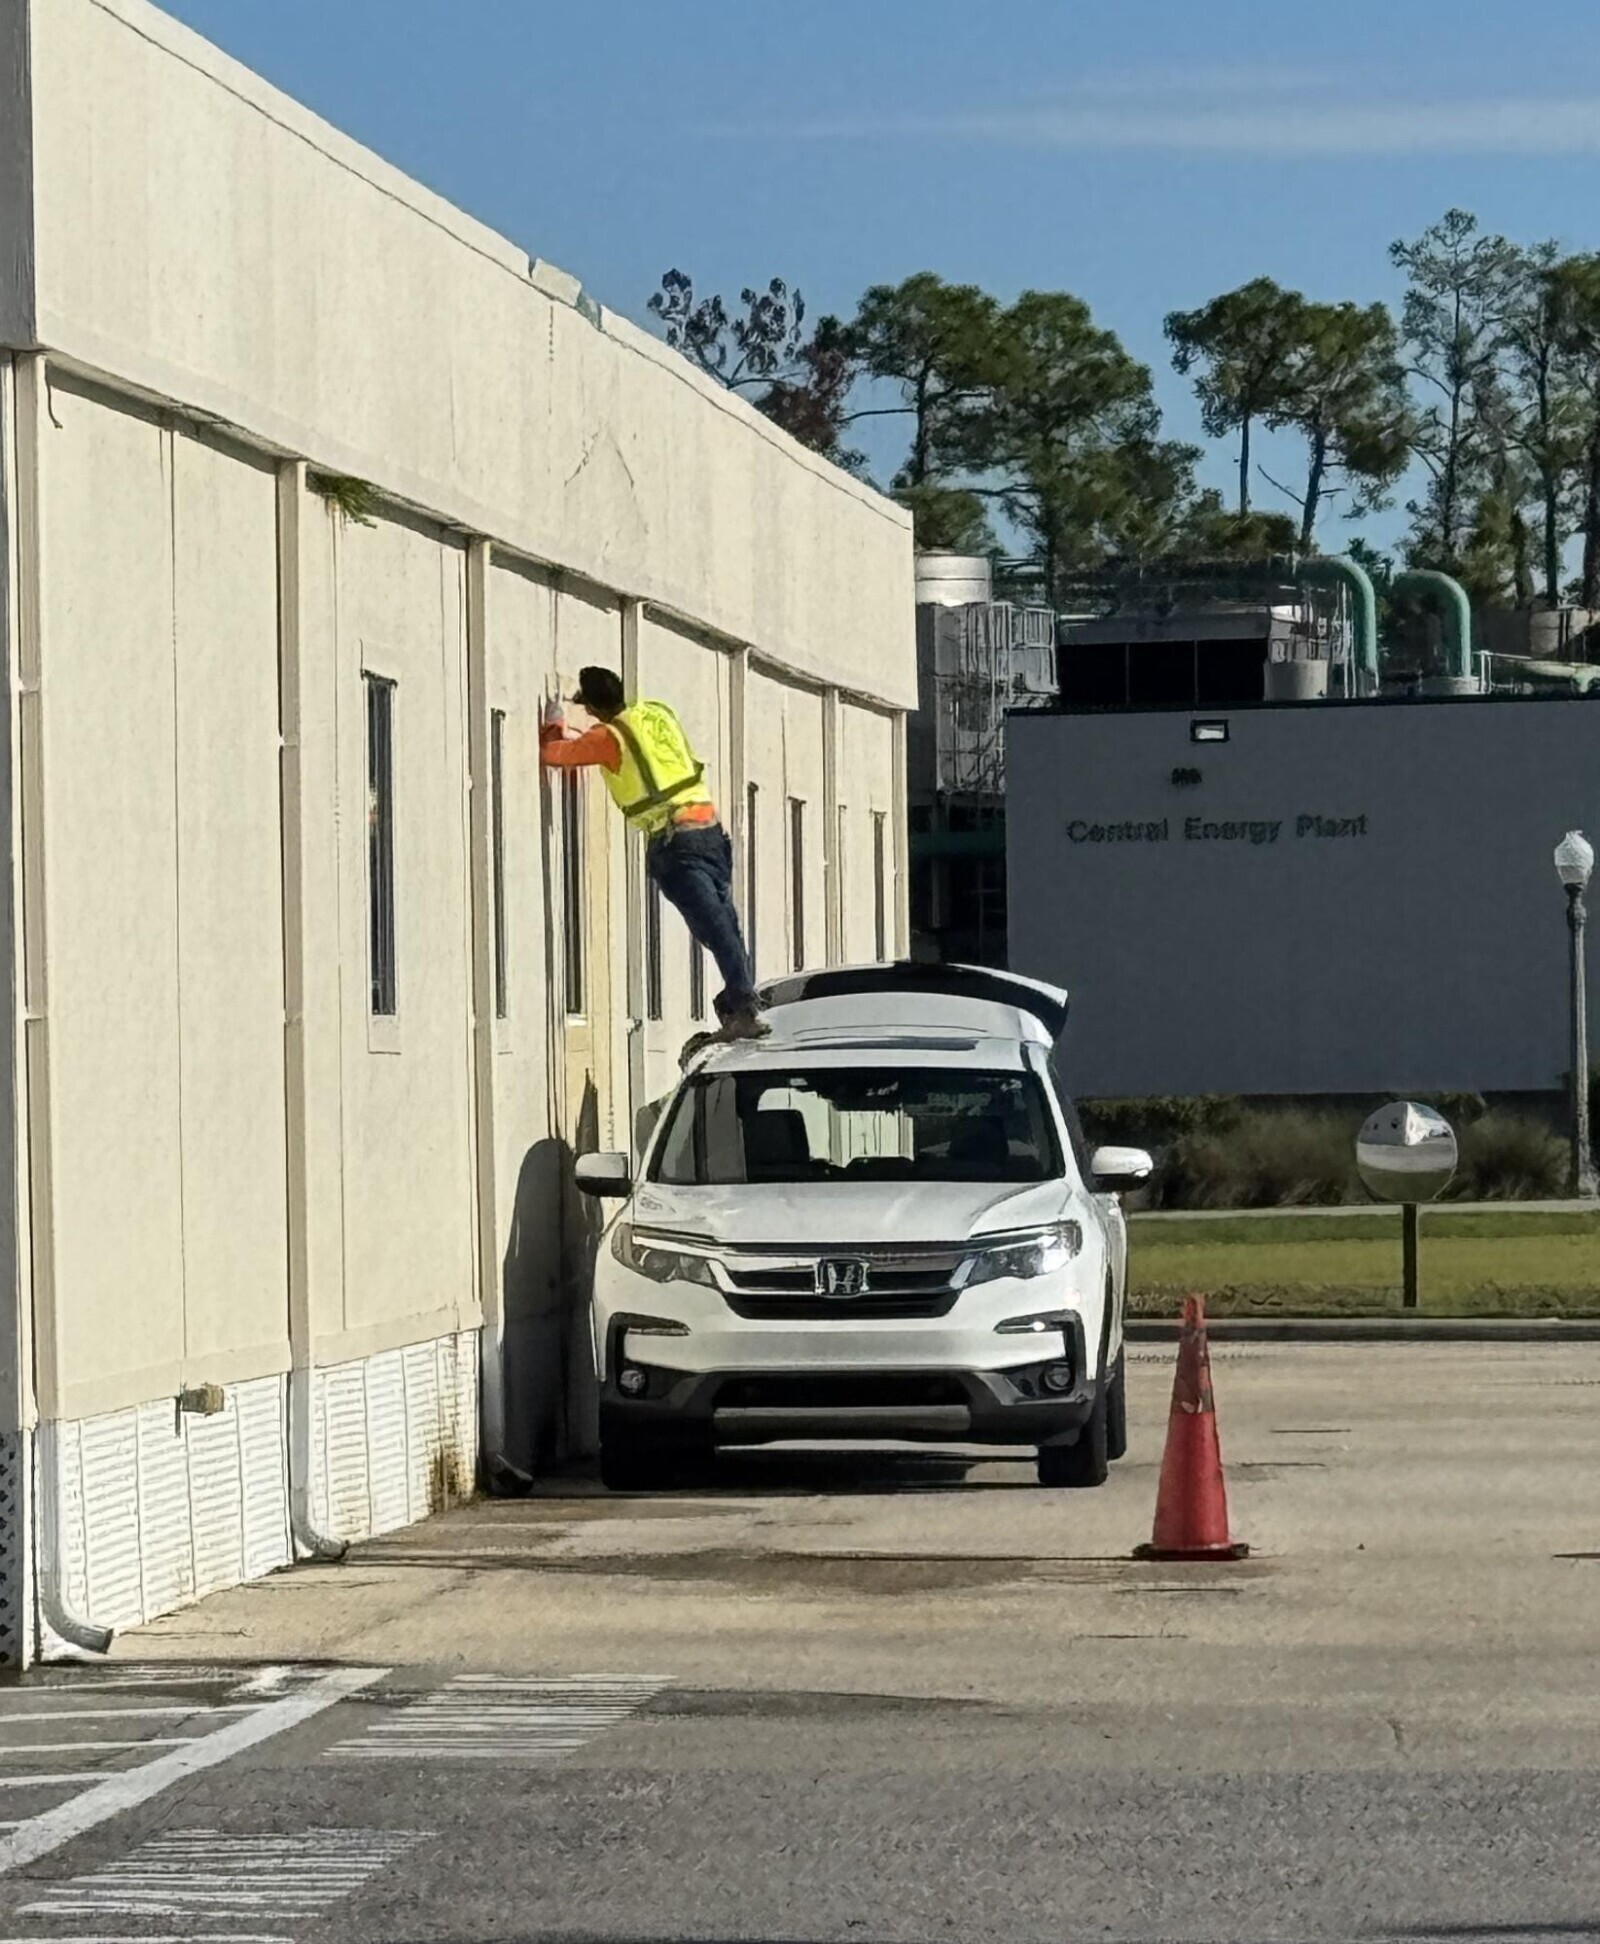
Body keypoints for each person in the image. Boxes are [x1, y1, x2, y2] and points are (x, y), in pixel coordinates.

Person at [540, 666, 769, 1041]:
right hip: (712, 834)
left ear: (594, 708)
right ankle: (736, 1004)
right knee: (722, 926)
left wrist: (554, 723)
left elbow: (554, 755)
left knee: (713, 925)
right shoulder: (655, 715)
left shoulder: (608, 738)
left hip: (677, 842)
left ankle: (742, 1006)